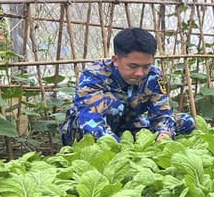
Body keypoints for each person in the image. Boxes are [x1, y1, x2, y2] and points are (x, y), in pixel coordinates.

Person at [59, 28, 196, 145]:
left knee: (185, 121)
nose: (140, 73)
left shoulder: (154, 76)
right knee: (114, 104)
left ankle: (133, 143)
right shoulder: (94, 75)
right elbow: (90, 120)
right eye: (133, 66)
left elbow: (161, 114)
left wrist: (164, 134)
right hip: (88, 128)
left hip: (128, 125)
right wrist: (120, 149)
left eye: (146, 66)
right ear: (116, 60)